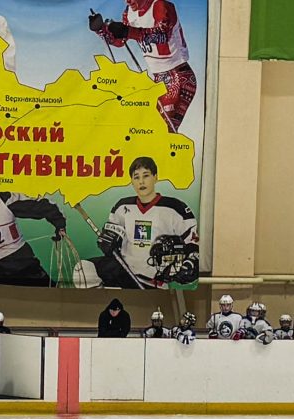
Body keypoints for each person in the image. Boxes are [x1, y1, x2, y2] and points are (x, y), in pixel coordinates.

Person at [87, 157, 199, 289]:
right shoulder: (122, 207)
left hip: (154, 282)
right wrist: (107, 243)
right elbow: (112, 239)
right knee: (83, 269)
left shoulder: (176, 208)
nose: (141, 181)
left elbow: (194, 244)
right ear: (132, 181)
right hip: (123, 272)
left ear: (155, 177)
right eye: (136, 177)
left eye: (146, 175)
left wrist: (191, 263)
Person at [88, 2, 196, 132]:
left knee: (162, 130)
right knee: (150, 130)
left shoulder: (160, 6)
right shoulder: (129, 12)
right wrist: (102, 30)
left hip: (179, 78)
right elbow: (121, 41)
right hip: (158, 81)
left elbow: (162, 36)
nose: (127, 1)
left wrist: (127, 31)